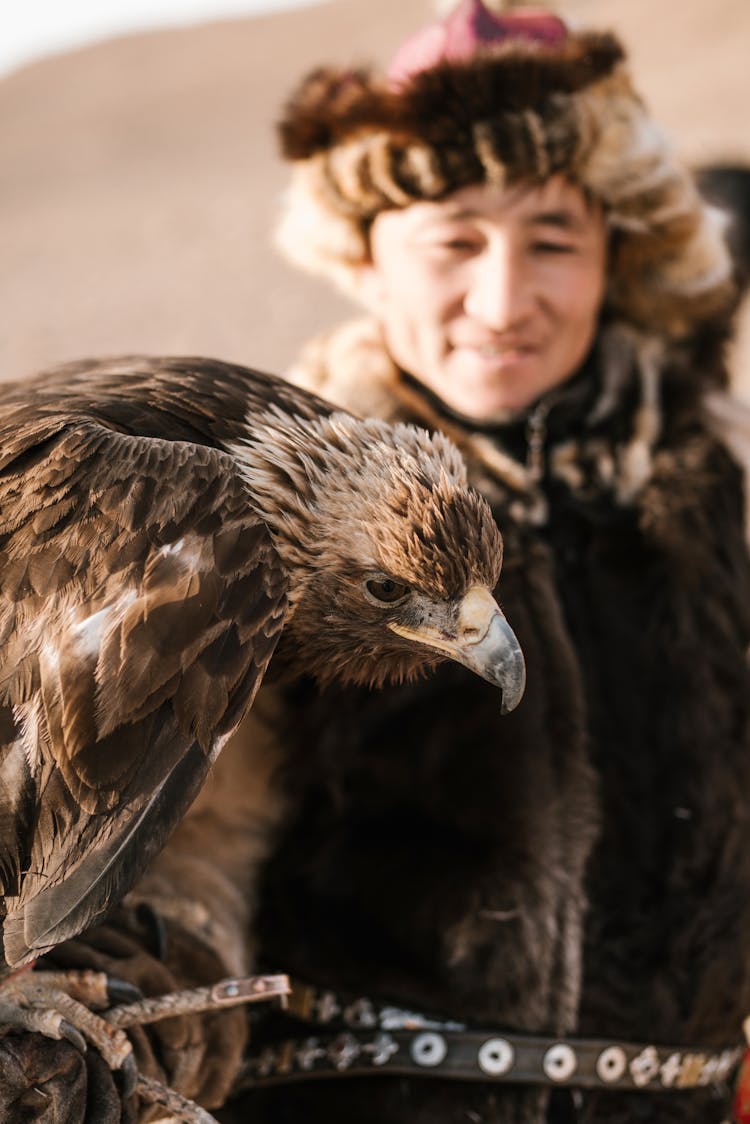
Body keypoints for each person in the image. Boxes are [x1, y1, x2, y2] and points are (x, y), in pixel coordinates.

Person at [5, 3, 750, 1124]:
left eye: (551, 238)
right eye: (454, 240)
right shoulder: (215, 530)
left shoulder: (726, 499)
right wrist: (132, 1002)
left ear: (621, 250)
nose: (502, 301)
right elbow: (180, 846)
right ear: (367, 256)